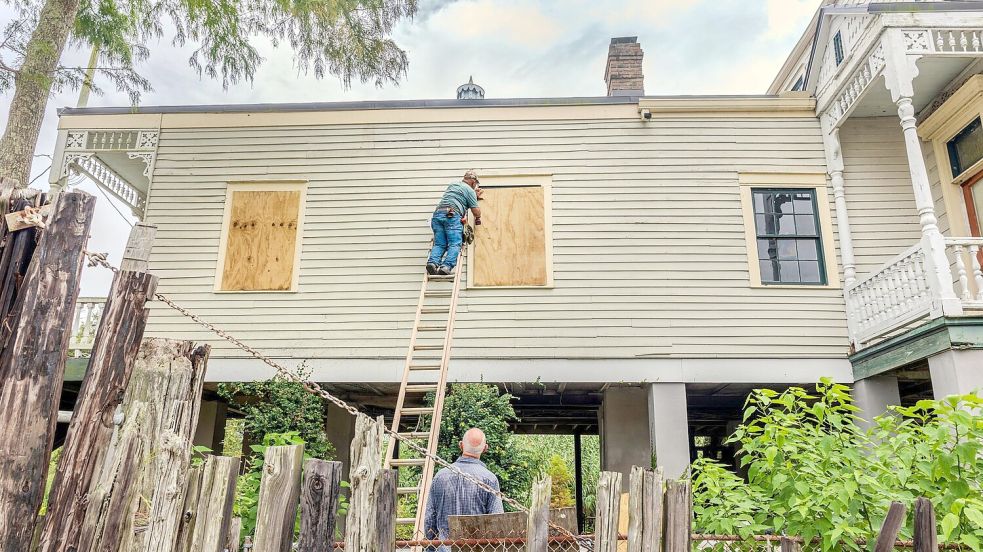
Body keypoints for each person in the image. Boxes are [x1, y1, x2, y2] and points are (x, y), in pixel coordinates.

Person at [422, 428, 504, 547]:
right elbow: (497, 521)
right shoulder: (490, 479)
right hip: (477, 548)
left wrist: (431, 547)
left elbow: (430, 518)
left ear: (460, 445)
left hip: (444, 548)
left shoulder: (440, 476)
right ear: (485, 448)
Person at [427, 170, 482, 276]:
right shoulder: (470, 191)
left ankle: (432, 263)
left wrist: (472, 196)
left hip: (438, 215)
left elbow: (458, 196)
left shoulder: (453, 184)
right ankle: (446, 266)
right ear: (473, 181)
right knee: (455, 243)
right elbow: (476, 212)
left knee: (440, 244)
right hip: (451, 216)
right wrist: (474, 198)